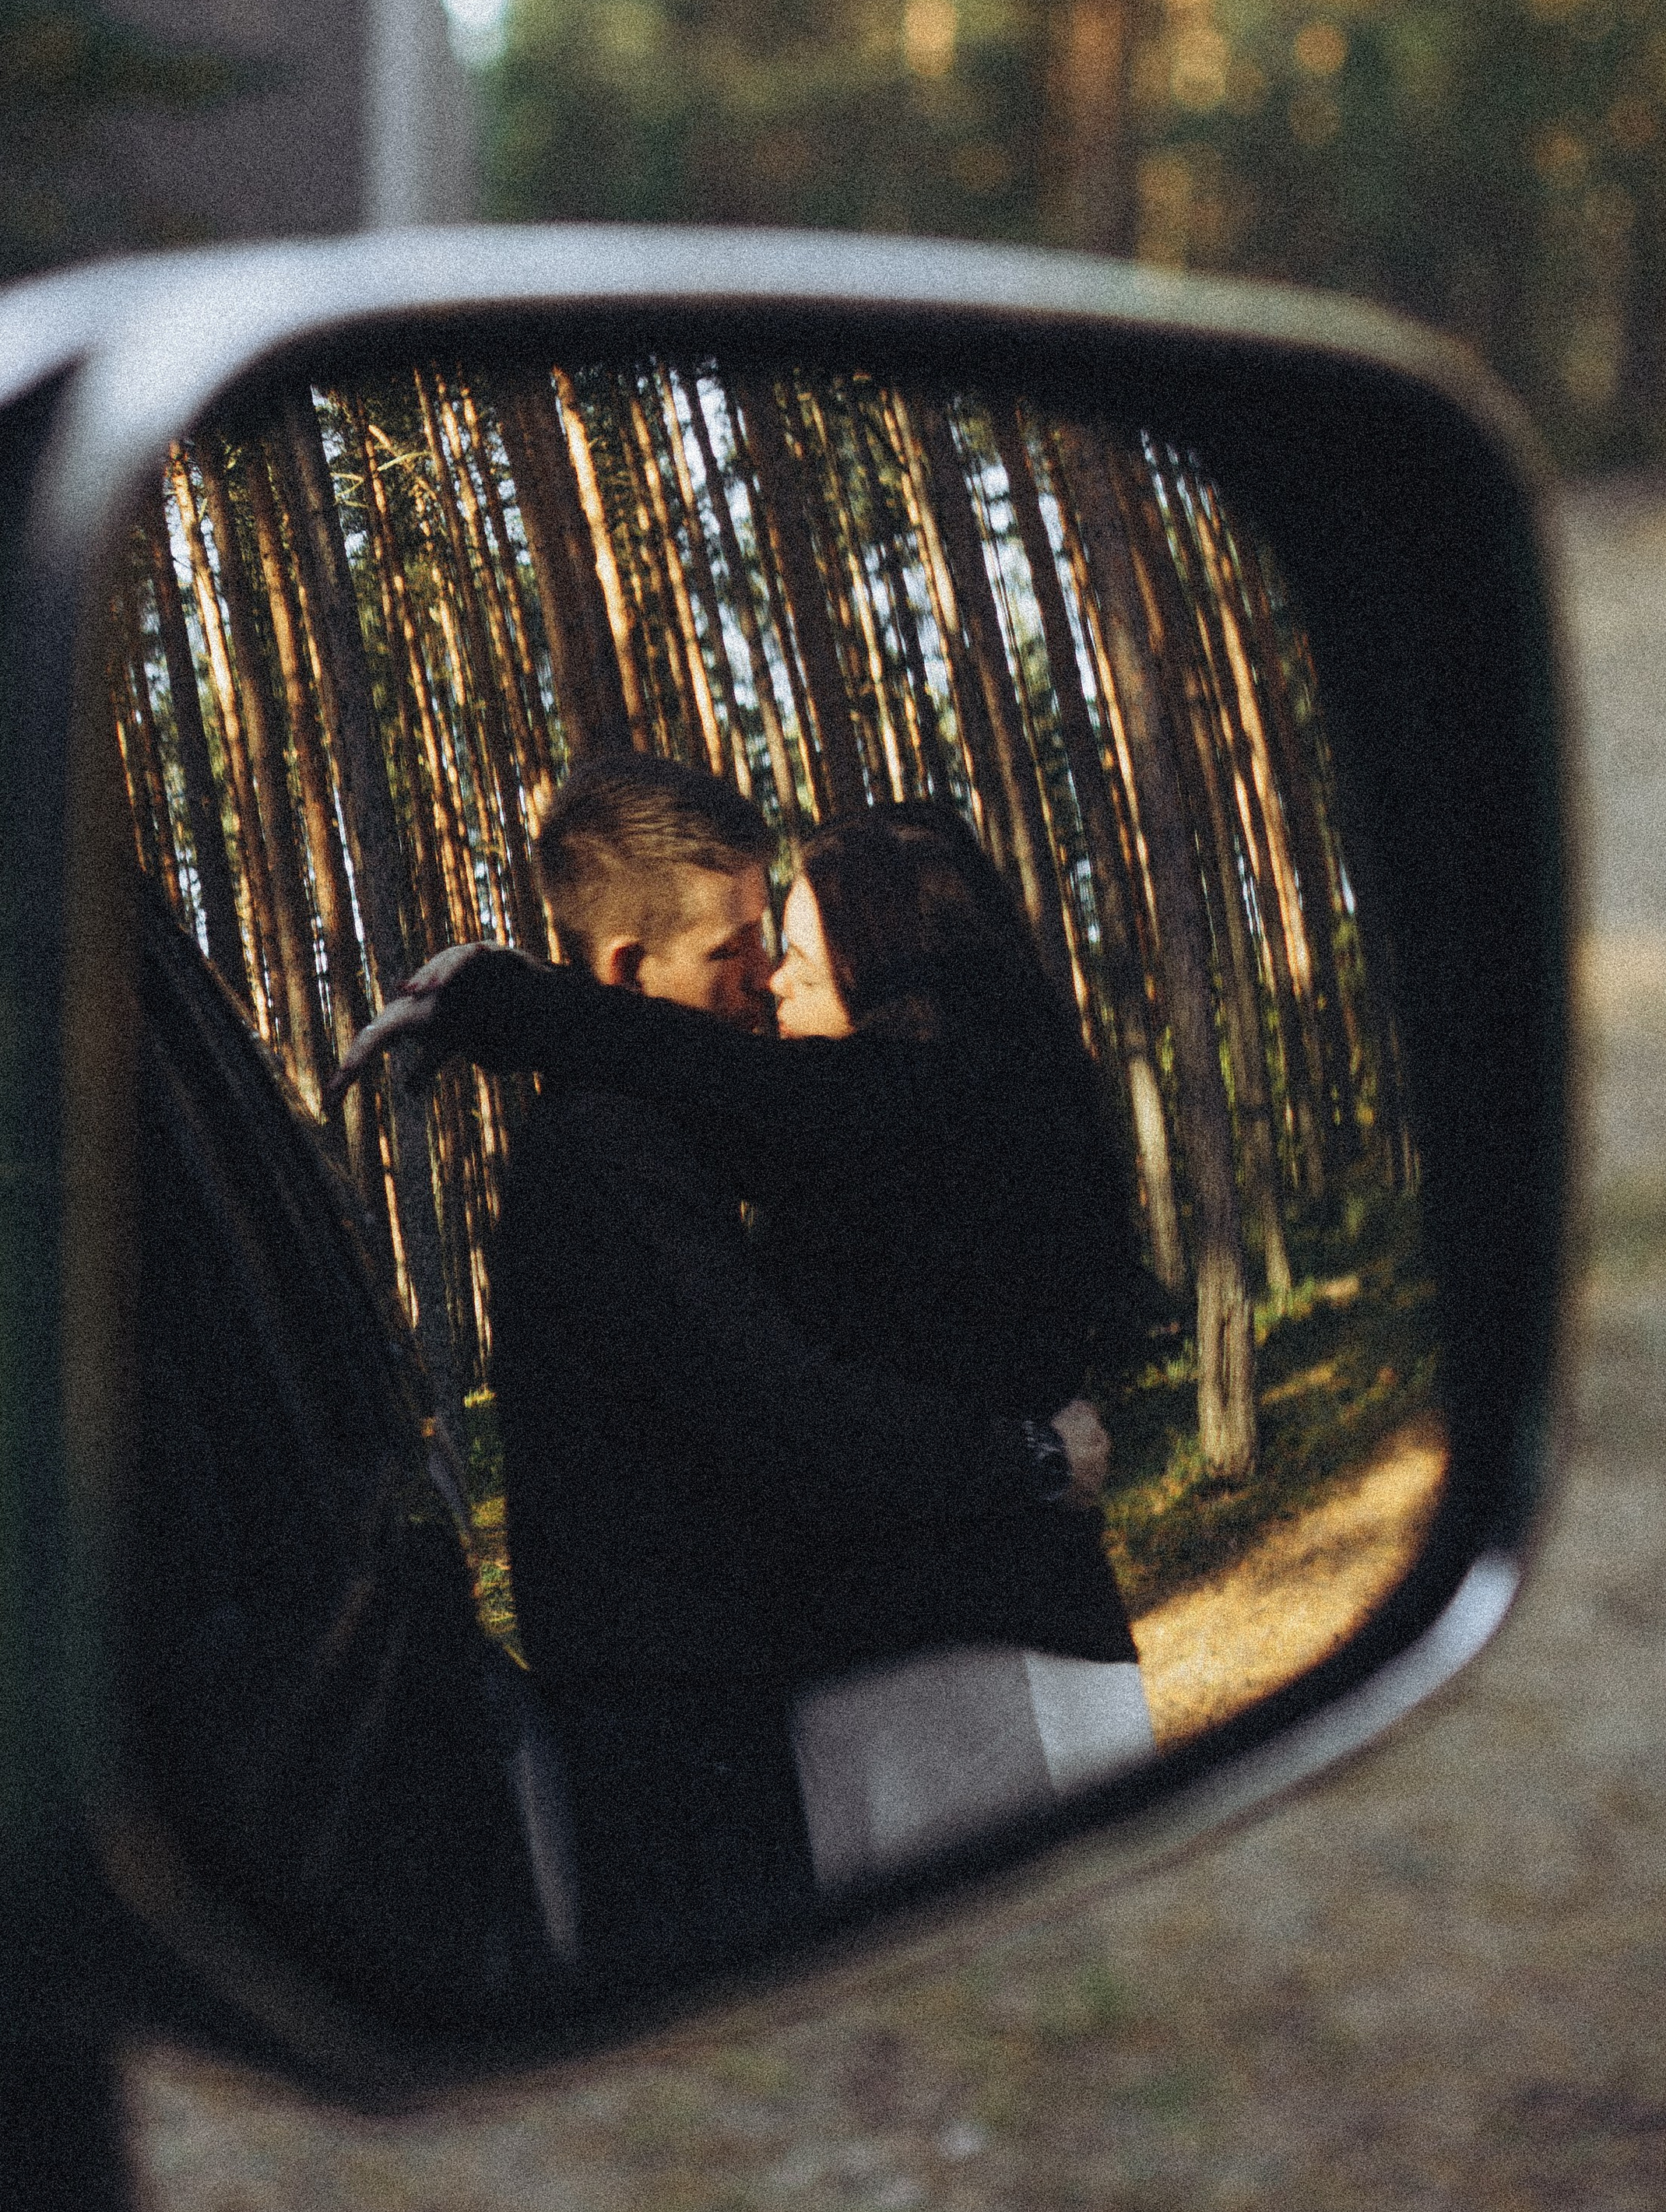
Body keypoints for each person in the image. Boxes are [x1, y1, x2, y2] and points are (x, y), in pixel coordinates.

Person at [339, 757, 1113, 1990]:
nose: (764, 979)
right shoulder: (612, 1151)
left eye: (782, 943)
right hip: (678, 1723)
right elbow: (783, 1413)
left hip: (782, 1696)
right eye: (738, 949)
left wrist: (501, 1000)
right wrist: (1021, 1456)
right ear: (629, 974)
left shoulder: (870, 1102)